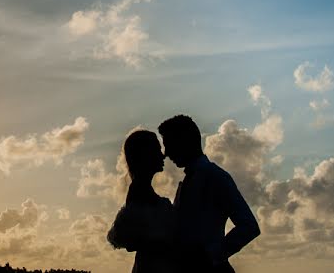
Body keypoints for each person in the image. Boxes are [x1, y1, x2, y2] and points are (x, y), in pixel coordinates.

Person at [157, 115, 260, 272]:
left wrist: (210, 255)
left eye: (169, 145)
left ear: (184, 142)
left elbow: (249, 226)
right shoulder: (188, 181)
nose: (166, 153)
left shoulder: (215, 176)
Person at [107, 129, 178, 273]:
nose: (162, 155)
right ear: (146, 155)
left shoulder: (141, 189)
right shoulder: (139, 190)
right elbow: (132, 241)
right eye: (157, 150)